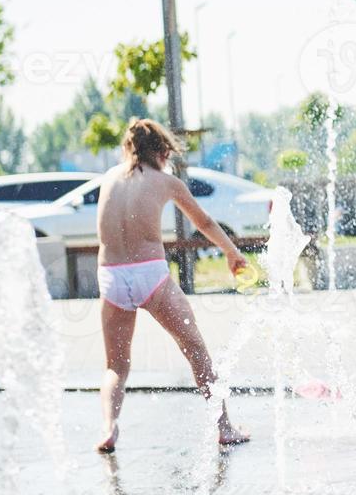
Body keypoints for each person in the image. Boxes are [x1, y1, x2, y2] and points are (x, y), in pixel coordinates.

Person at [95, 118, 250, 453]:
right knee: (195, 349)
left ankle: (109, 428)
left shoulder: (108, 178)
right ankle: (223, 426)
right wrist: (231, 252)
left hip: (111, 276)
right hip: (150, 273)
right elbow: (204, 221)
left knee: (116, 366)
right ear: (162, 150)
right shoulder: (166, 182)